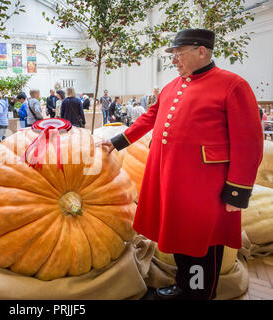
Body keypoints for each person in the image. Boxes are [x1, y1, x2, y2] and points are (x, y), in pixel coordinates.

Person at [97, 28, 263, 300]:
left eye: (178, 53)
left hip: (207, 187)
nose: (173, 60)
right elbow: (149, 118)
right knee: (180, 238)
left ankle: (197, 293)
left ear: (201, 51)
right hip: (171, 180)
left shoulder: (233, 85)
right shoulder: (171, 87)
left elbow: (250, 142)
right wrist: (117, 142)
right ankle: (184, 285)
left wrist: (237, 191)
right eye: (172, 54)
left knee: (202, 242)